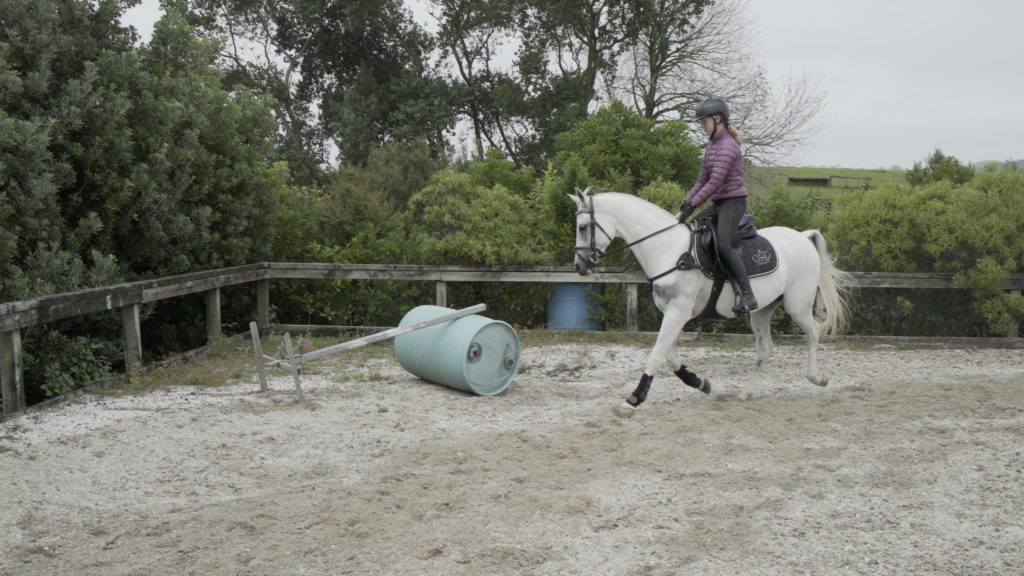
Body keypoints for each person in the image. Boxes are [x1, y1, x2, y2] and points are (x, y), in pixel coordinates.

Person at [677, 97, 758, 314]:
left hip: (733, 202)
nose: (702, 127)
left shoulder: (728, 146)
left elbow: (715, 182)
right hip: (719, 202)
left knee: (723, 244)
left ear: (717, 118)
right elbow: (702, 180)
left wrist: (694, 203)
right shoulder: (712, 146)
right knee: (692, 228)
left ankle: (748, 295)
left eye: (704, 122)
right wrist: (686, 204)